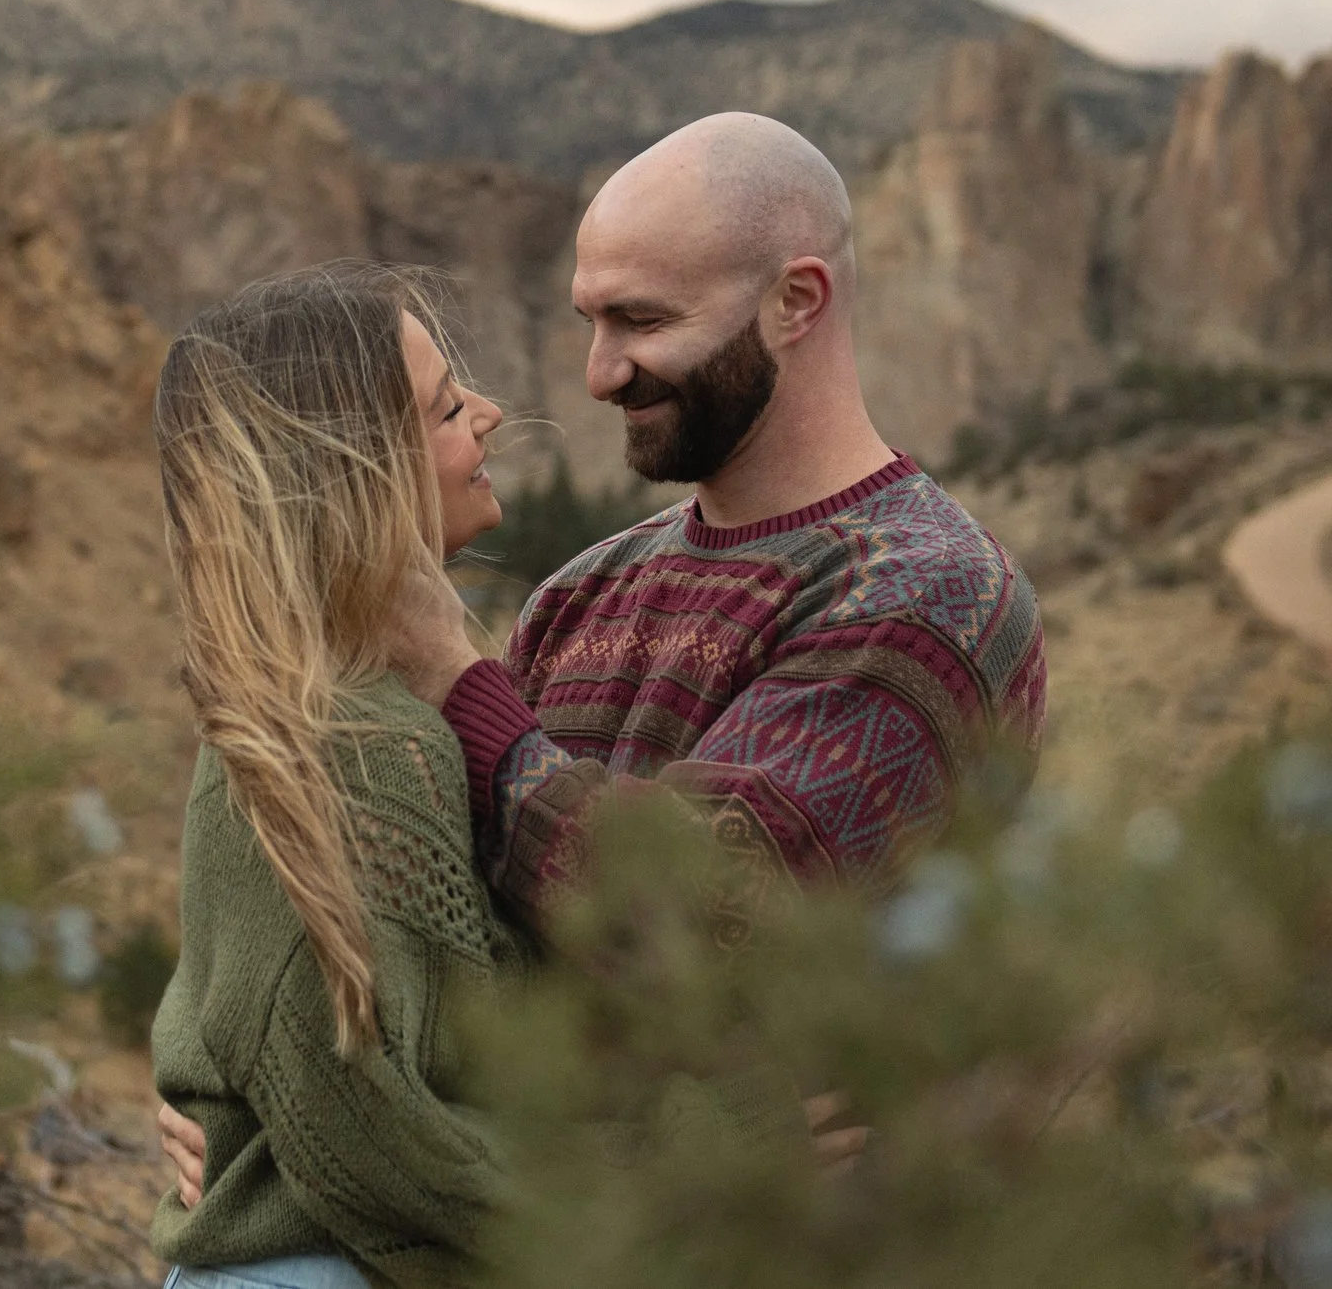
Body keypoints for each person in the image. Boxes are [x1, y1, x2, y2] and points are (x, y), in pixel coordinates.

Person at [163, 111, 1040, 1200]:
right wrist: (258, 1094)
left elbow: (692, 923)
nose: (596, 371)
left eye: (640, 320)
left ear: (796, 300)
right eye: (587, 317)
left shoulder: (923, 594)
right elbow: (463, 951)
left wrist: (457, 678)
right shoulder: (585, 589)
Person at [143, 262, 528, 1289]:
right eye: (448, 406)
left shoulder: (343, 721)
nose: (488, 415)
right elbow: (385, 1149)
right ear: (357, 468)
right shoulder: (335, 747)